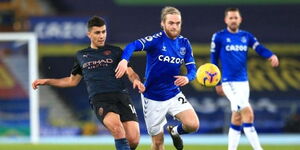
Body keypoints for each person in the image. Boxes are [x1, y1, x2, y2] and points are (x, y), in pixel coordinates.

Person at [32, 16, 145, 150]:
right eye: (97, 32)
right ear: (89, 34)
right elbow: (71, 81)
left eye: (104, 32)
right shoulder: (81, 55)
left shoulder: (116, 52)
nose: (101, 36)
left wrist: (136, 80)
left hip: (121, 96)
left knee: (133, 140)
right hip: (100, 99)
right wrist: (46, 81)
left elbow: (130, 72)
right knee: (117, 129)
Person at [115, 6, 199, 150]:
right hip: (152, 98)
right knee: (158, 143)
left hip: (173, 93)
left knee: (193, 125)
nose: (175, 26)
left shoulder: (184, 43)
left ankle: (175, 131)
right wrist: (124, 60)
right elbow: (132, 46)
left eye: (178, 23)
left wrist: (188, 78)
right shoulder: (156, 40)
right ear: (163, 24)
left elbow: (192, 69)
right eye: (171, 23)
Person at [210, 8, 279, 150]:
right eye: (231, 18)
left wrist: (270, 55)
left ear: (240, 19)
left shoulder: (246, 36)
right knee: (248, 112)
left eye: (236, 17)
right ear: (226, 20)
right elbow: (213, 60)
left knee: (237, 117)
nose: (233, 20)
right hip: (228, 82)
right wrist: (217, 82)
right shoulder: (219, 37)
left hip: (243, 82)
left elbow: (259, 48)